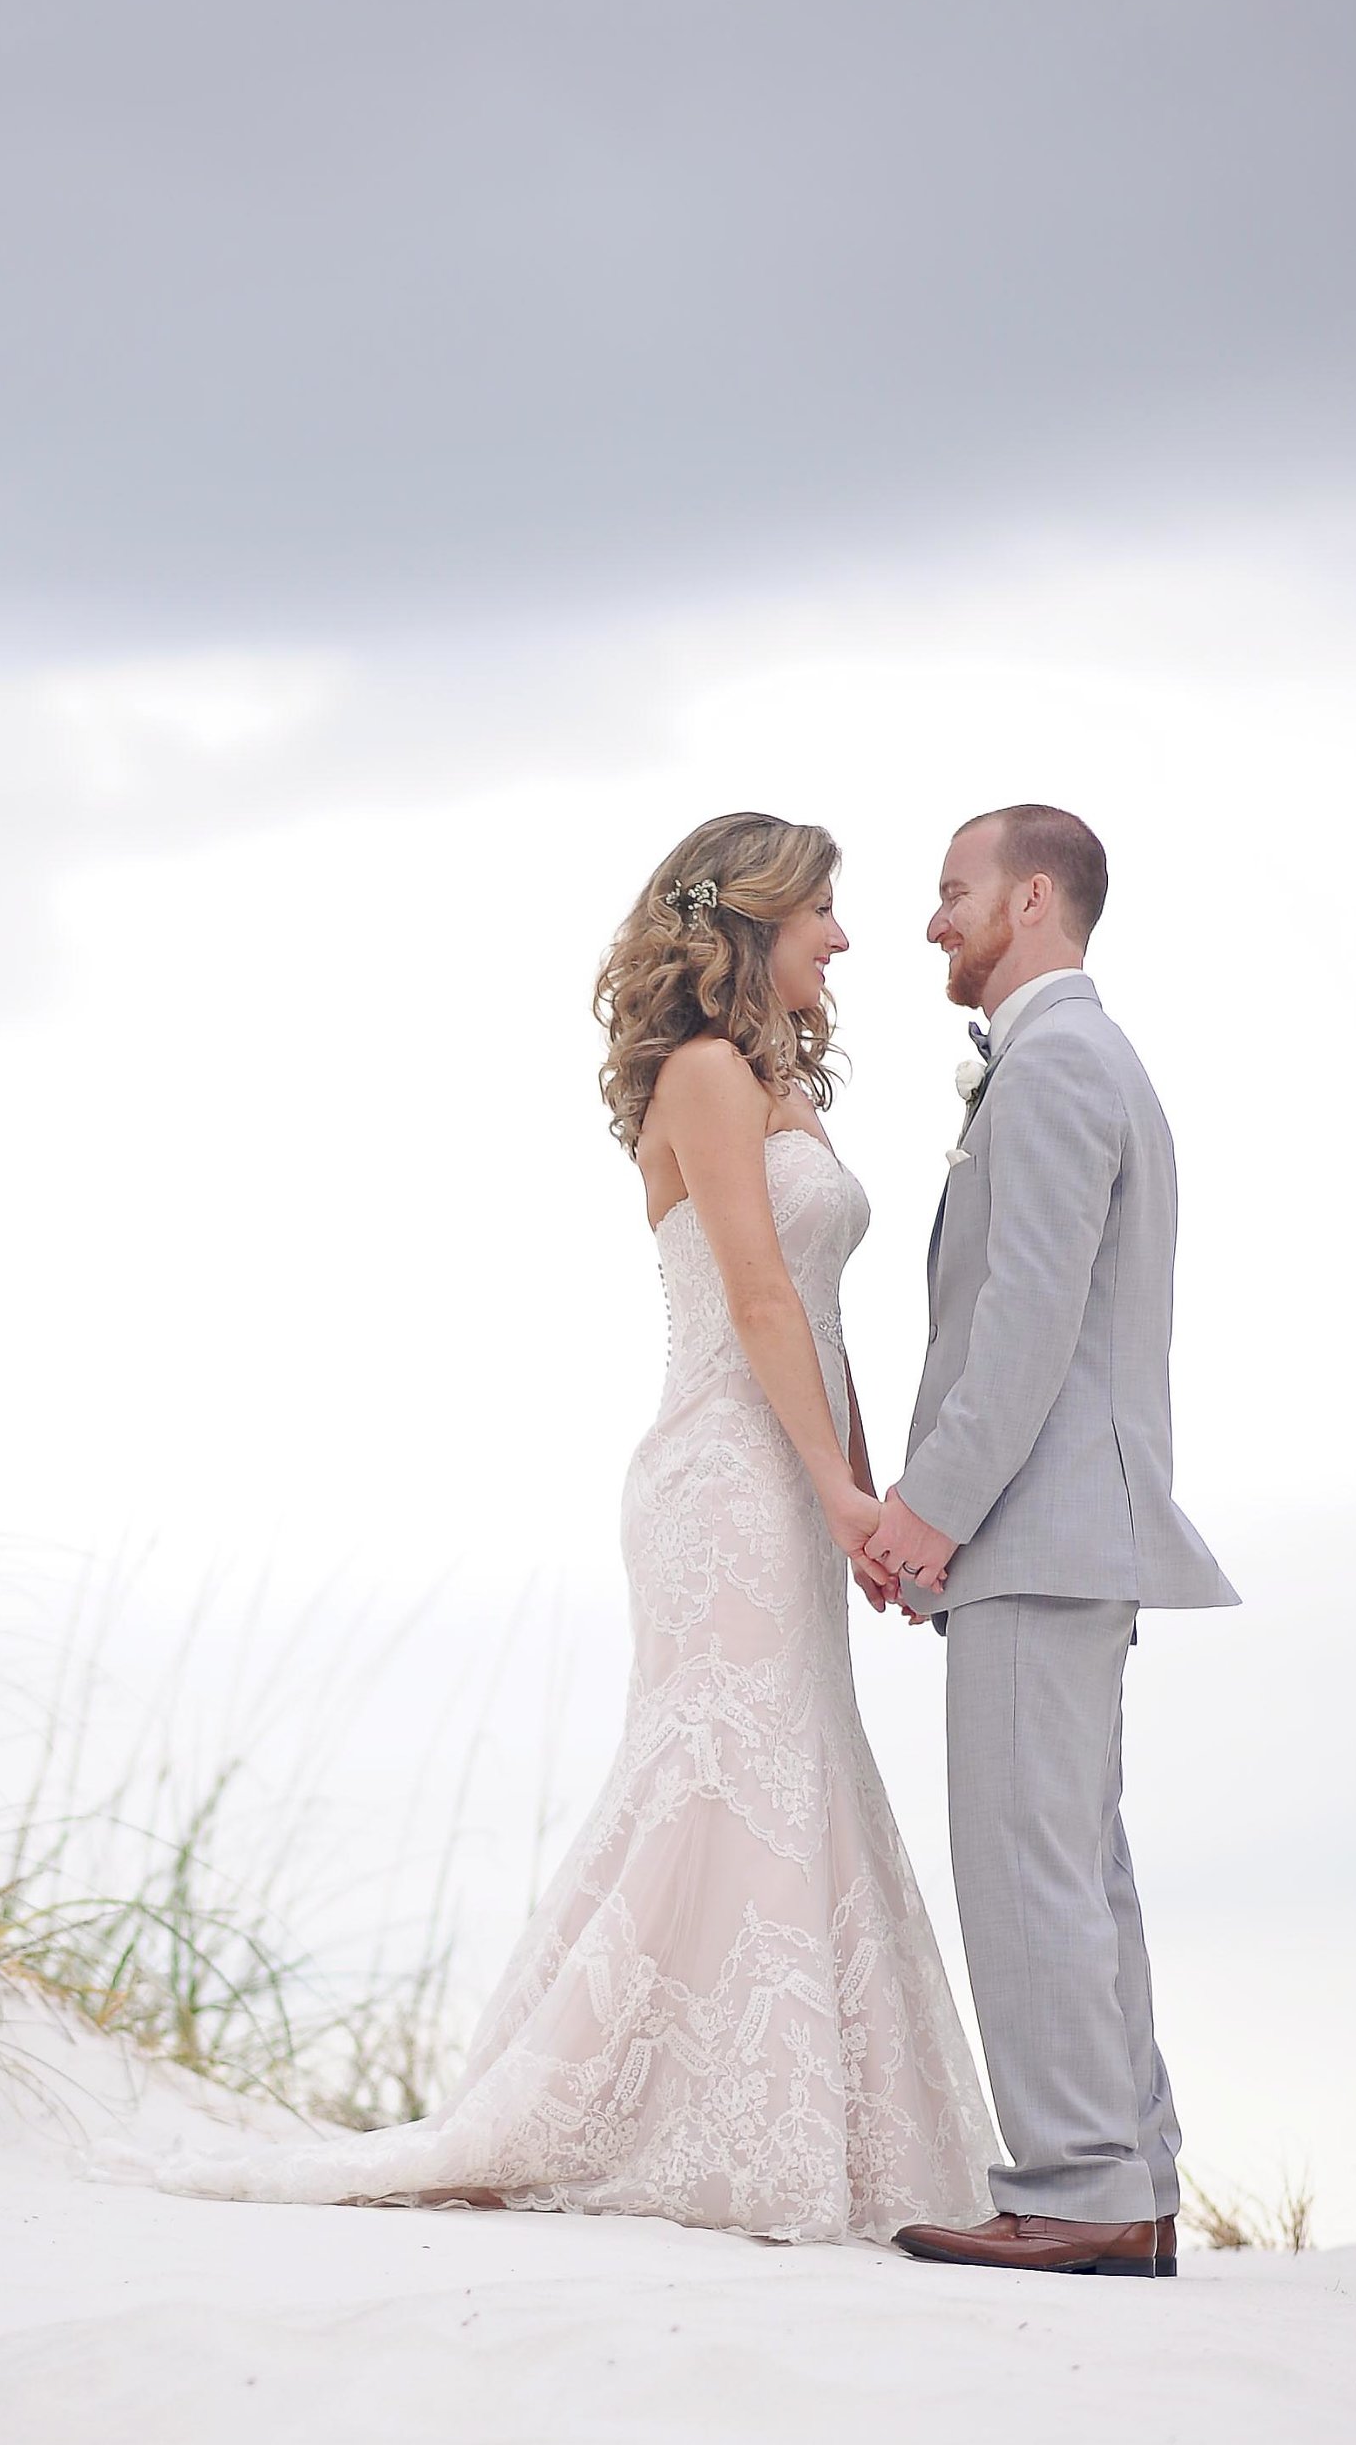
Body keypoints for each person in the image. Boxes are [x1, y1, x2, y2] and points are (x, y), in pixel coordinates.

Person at [137, 812, 993, 2244]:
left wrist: (860, 1495)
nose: (845, 939)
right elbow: (760, 1300)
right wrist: (835, 1491)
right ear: (756, 923)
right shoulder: (706, 1075)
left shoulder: (788, 1092)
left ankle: (790, 2118)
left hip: (791, 1474)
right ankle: (647, 2112)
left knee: (797, 1759)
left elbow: (829, 1324)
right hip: (720, 1481)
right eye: (824, 913)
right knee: (725, 1767)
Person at [866, 806, 1236, 2278]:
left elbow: (1025, 1327)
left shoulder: (1062, 1062)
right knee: (1075, 1861)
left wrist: (926, 1513)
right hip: (1073, 1527)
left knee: (1029, 1865)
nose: (931, 919)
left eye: (951, 891)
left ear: (1031, 899)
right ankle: (1126, 2182)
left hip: (1038, 1527)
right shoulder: (1082, 1060)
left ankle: (1080, 2187)